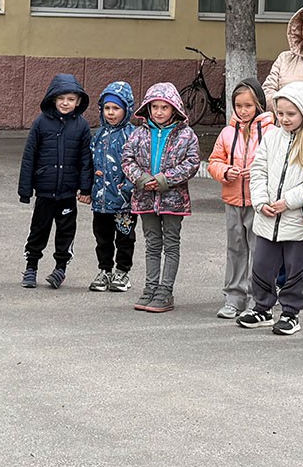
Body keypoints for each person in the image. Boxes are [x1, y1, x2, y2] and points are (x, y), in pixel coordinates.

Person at [236, 81, 303, 336]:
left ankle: (291, 312)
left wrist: (289, 201)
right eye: (280, 113)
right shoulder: (271, 137)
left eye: (291, 114)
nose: (284, 119)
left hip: (295, 219)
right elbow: (258, 170)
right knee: (262, 264)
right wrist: (260, 201)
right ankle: (262, 307)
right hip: (267, 217)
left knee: (295, 268)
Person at [121, 82, 201, 314]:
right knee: (152, 244)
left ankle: (165, 291)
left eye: (164, 107)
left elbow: (192, 162)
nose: (158, 112)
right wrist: (142, 179)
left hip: (173, 200)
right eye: (154, 106)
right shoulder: (139, 134)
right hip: (145, 198)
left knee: (171, 244)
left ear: (174, 109)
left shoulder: (186, 135)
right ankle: (150, 287)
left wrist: (166, 179)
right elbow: (127, 160)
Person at [18, 73, 93, 289]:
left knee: (66, 232)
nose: (65, 103)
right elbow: (29, 156)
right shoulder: (41, 123)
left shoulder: (82, 126)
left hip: (67, 193)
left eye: (70, 99)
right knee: (38, 230)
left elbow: (86, 160)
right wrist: (26, 189)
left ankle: (61, 268)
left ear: (78, 101)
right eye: (61, 98)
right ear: (52, 98)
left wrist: (85, 188)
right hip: (44, 190)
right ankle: (31, 267)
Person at [207, 82, 271, 319]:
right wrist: (225, 171)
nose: (243, 110)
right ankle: (234, 297)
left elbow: (274, 164)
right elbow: (214, 161)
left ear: (259, 104)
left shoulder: (271, 131)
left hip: (258, 202)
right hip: (233, 199)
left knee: (259, 251)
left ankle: (260, 298)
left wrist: (257, 171)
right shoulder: (227, 132)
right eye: (238, 105)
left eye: (248, 105)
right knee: (235, 249)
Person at [86, 81, 138, 294]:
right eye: (107, 108)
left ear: (126, 110)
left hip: (124, 201)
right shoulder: (98, 136)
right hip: (101, 200)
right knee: (102, 237)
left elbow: (138, 163)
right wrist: (85, 188)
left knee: (125, 237)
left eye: (116, 108)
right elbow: (89, 163)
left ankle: (122, 272)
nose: (110, 113)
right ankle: (105, 269)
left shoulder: (133, 135)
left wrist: (128, 187)